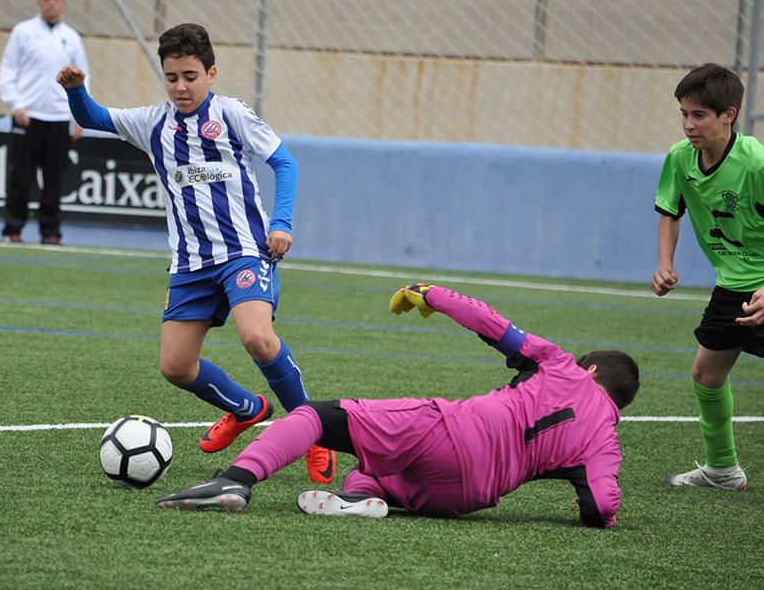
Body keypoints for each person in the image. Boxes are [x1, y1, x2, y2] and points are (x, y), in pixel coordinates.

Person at [56, 23, 336, 483]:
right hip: (189, 264)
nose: (181, 86)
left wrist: (281, 223)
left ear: (211, 73)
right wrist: (76, 90)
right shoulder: (153, 123)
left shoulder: (231, 114)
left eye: (190, 75)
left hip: (244, 253)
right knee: (176, 367)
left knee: (257, 338)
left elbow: (284, 162)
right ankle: (247, 408)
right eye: (172, 77)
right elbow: (94, 117)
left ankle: (314, 432)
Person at [157, 283, 641, 528]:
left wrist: (432, 295)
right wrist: (592, 513)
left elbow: (490, 322)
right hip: (470, 496)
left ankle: (235, 482)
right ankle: (365, 498)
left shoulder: (563, 365)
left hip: (453, 432)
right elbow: (601, 504)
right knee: (373, 477)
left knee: (316, 417)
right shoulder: (606, 442)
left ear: (592, 370)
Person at [651, 63, 759, 490]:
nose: (688, 125)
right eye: (683, 113)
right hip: (733, 284)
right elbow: (669, 210)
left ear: (728, 115)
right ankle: (722, 470)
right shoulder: (680, 158)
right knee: (707, 375)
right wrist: (664, 263)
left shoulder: (756, 165)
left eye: (699, 115)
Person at [0, 0, 89, 245]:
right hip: (28, 118)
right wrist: (16, 105)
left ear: (63, 3)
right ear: (39, 2)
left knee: (54, 181)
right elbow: (7, 70)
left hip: (59, 119)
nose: (51, 2)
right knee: (20, 180)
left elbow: (84, 77)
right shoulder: (23, 32)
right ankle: (13, 230)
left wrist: (79, 116)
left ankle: (50, 232)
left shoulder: (71, 38)